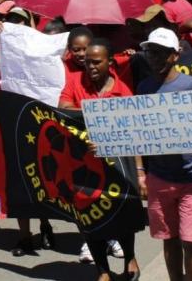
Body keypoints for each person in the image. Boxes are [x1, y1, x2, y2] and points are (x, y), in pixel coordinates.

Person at [59, 39, 138, 280]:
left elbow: (132, 130)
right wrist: (96, 121)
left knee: (121, 214)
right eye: (86, 63)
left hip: (117, 166)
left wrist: (106, 139)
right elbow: (64, 108)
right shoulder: (75, 82)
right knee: (90, 218)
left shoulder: (123, 89)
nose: (90, 67)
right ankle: (102, 269)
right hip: (84, 165)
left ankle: (129, 257)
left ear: (110, 62)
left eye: (96, 62)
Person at [136, 28, 192, 281]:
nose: (153, 58)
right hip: (159, 178)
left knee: (191, 241)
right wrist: (141, 172)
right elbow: (138, 135)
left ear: (175, 56)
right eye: (149, 52)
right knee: (169, 239)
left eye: (160, 53)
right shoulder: (143, 88)